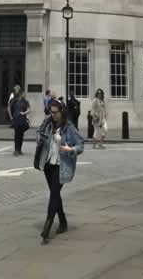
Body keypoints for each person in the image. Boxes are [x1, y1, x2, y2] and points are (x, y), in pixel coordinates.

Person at [35, 98, 84, 243]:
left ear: (61, 112)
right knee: (55, 194)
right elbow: (38, 132)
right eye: (51, 112)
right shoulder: (48, 122)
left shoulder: (69, 127)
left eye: (56, 112)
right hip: (48, 163)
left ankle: (47, 226)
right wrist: (40, 138)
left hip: (61, 165)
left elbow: (81, 144)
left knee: (54, 194)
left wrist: (71, 149)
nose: (53, 115)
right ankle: (62, 221)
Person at [11, 90, 30, 155]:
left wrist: (24, 113)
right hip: (16, 119)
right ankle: (16, 150)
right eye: (24, 94)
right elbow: (10, 108)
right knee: (16, 135)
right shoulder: (15, 101)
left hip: (22, 119)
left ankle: (19, 149)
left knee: (21, 135)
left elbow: (29, 110)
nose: (25, 95)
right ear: (21, 94)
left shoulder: (26, 102)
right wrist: (11, 117)